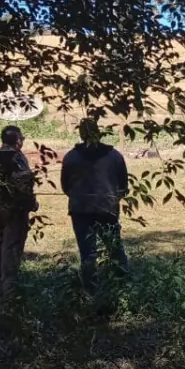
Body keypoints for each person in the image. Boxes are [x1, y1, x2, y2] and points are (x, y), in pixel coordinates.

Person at [62, 118, 130, 292]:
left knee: (87, 253)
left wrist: (80, 196)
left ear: (81, 134)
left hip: (80, 209)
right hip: (107, 208)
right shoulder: (114, 156)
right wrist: (113, 198)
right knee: (114, 248)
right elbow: (123, 184)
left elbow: (65, 185)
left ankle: (90, 290)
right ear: (98, 132)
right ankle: (123, 285)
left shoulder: (71, 156)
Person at [0, 125, 38, 298]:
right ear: (18, 141)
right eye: (22, 139)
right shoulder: (18, 158)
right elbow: (24, 186)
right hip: (14, 211)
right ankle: (9, 291)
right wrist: (31, 204)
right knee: (11, 249)